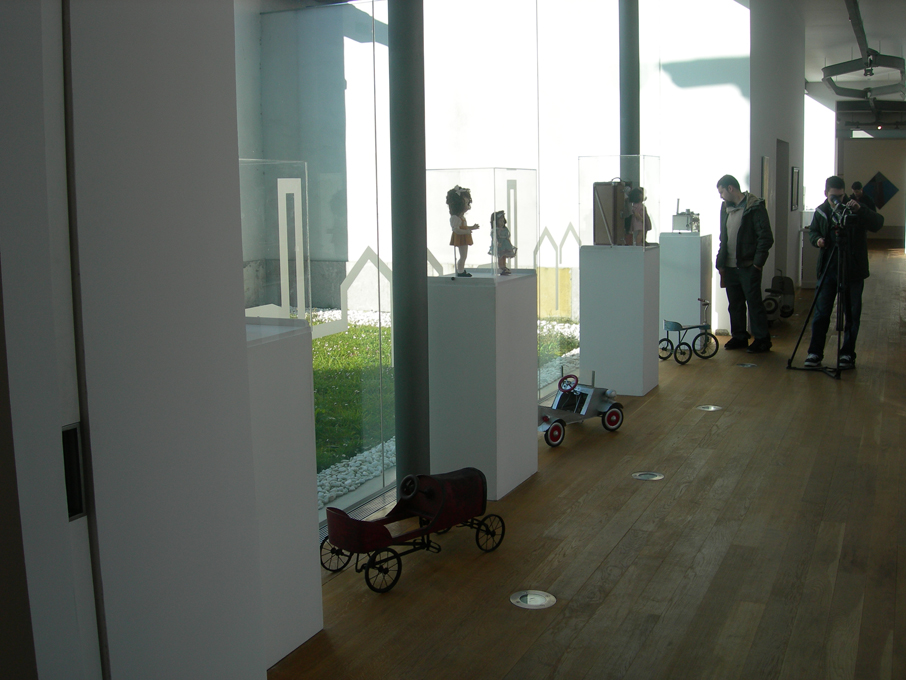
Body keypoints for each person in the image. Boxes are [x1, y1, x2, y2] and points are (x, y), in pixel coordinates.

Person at [803, 176, 884, 368]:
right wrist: (818, 241)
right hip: (828, 268)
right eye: (833, 197)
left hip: (852, 269)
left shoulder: (854, 208)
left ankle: (847, 354)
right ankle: (814, 353)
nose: (837, 200)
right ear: (826, 193)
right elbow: (813, 232)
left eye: (840, 196)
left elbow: (878, 223)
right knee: (821, 312)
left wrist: (860, 210)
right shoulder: (821, 211)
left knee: (852, 314)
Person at [715, 174, 774, 353]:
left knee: (754, 303)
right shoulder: (725, 208)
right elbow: (723, 236)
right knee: (735, 304)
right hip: (730, 266)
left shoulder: (754, 207)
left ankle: (762, 339)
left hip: (748, 265)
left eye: (722, 192)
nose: (721, 196)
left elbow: (765, 237)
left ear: (730, 188)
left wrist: (757, 264)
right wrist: (721, 262)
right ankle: (739, 336)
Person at [446, 185, 480, 277]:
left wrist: (472, 227)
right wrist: (467, 231)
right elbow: (456, 230)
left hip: (464, 237)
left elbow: (463, 227)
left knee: (464, 255)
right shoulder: (455, 218)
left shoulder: (461, 217)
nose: (468, 205)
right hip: (461, 238)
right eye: (466, 203)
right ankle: (460, 271)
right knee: (463, 256)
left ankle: (461, 270)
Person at [488, 210, 517, 275]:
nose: (502, 223)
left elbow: (507, 235)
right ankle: (501, 267)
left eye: (503, 221)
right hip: (500, 244)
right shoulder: (495, 230)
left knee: (504, 255)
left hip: (505, 244)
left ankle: (504, 266)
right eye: (500, 221)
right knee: (500, 256)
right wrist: (497, 242)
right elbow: (494, 237)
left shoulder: (505, 229)